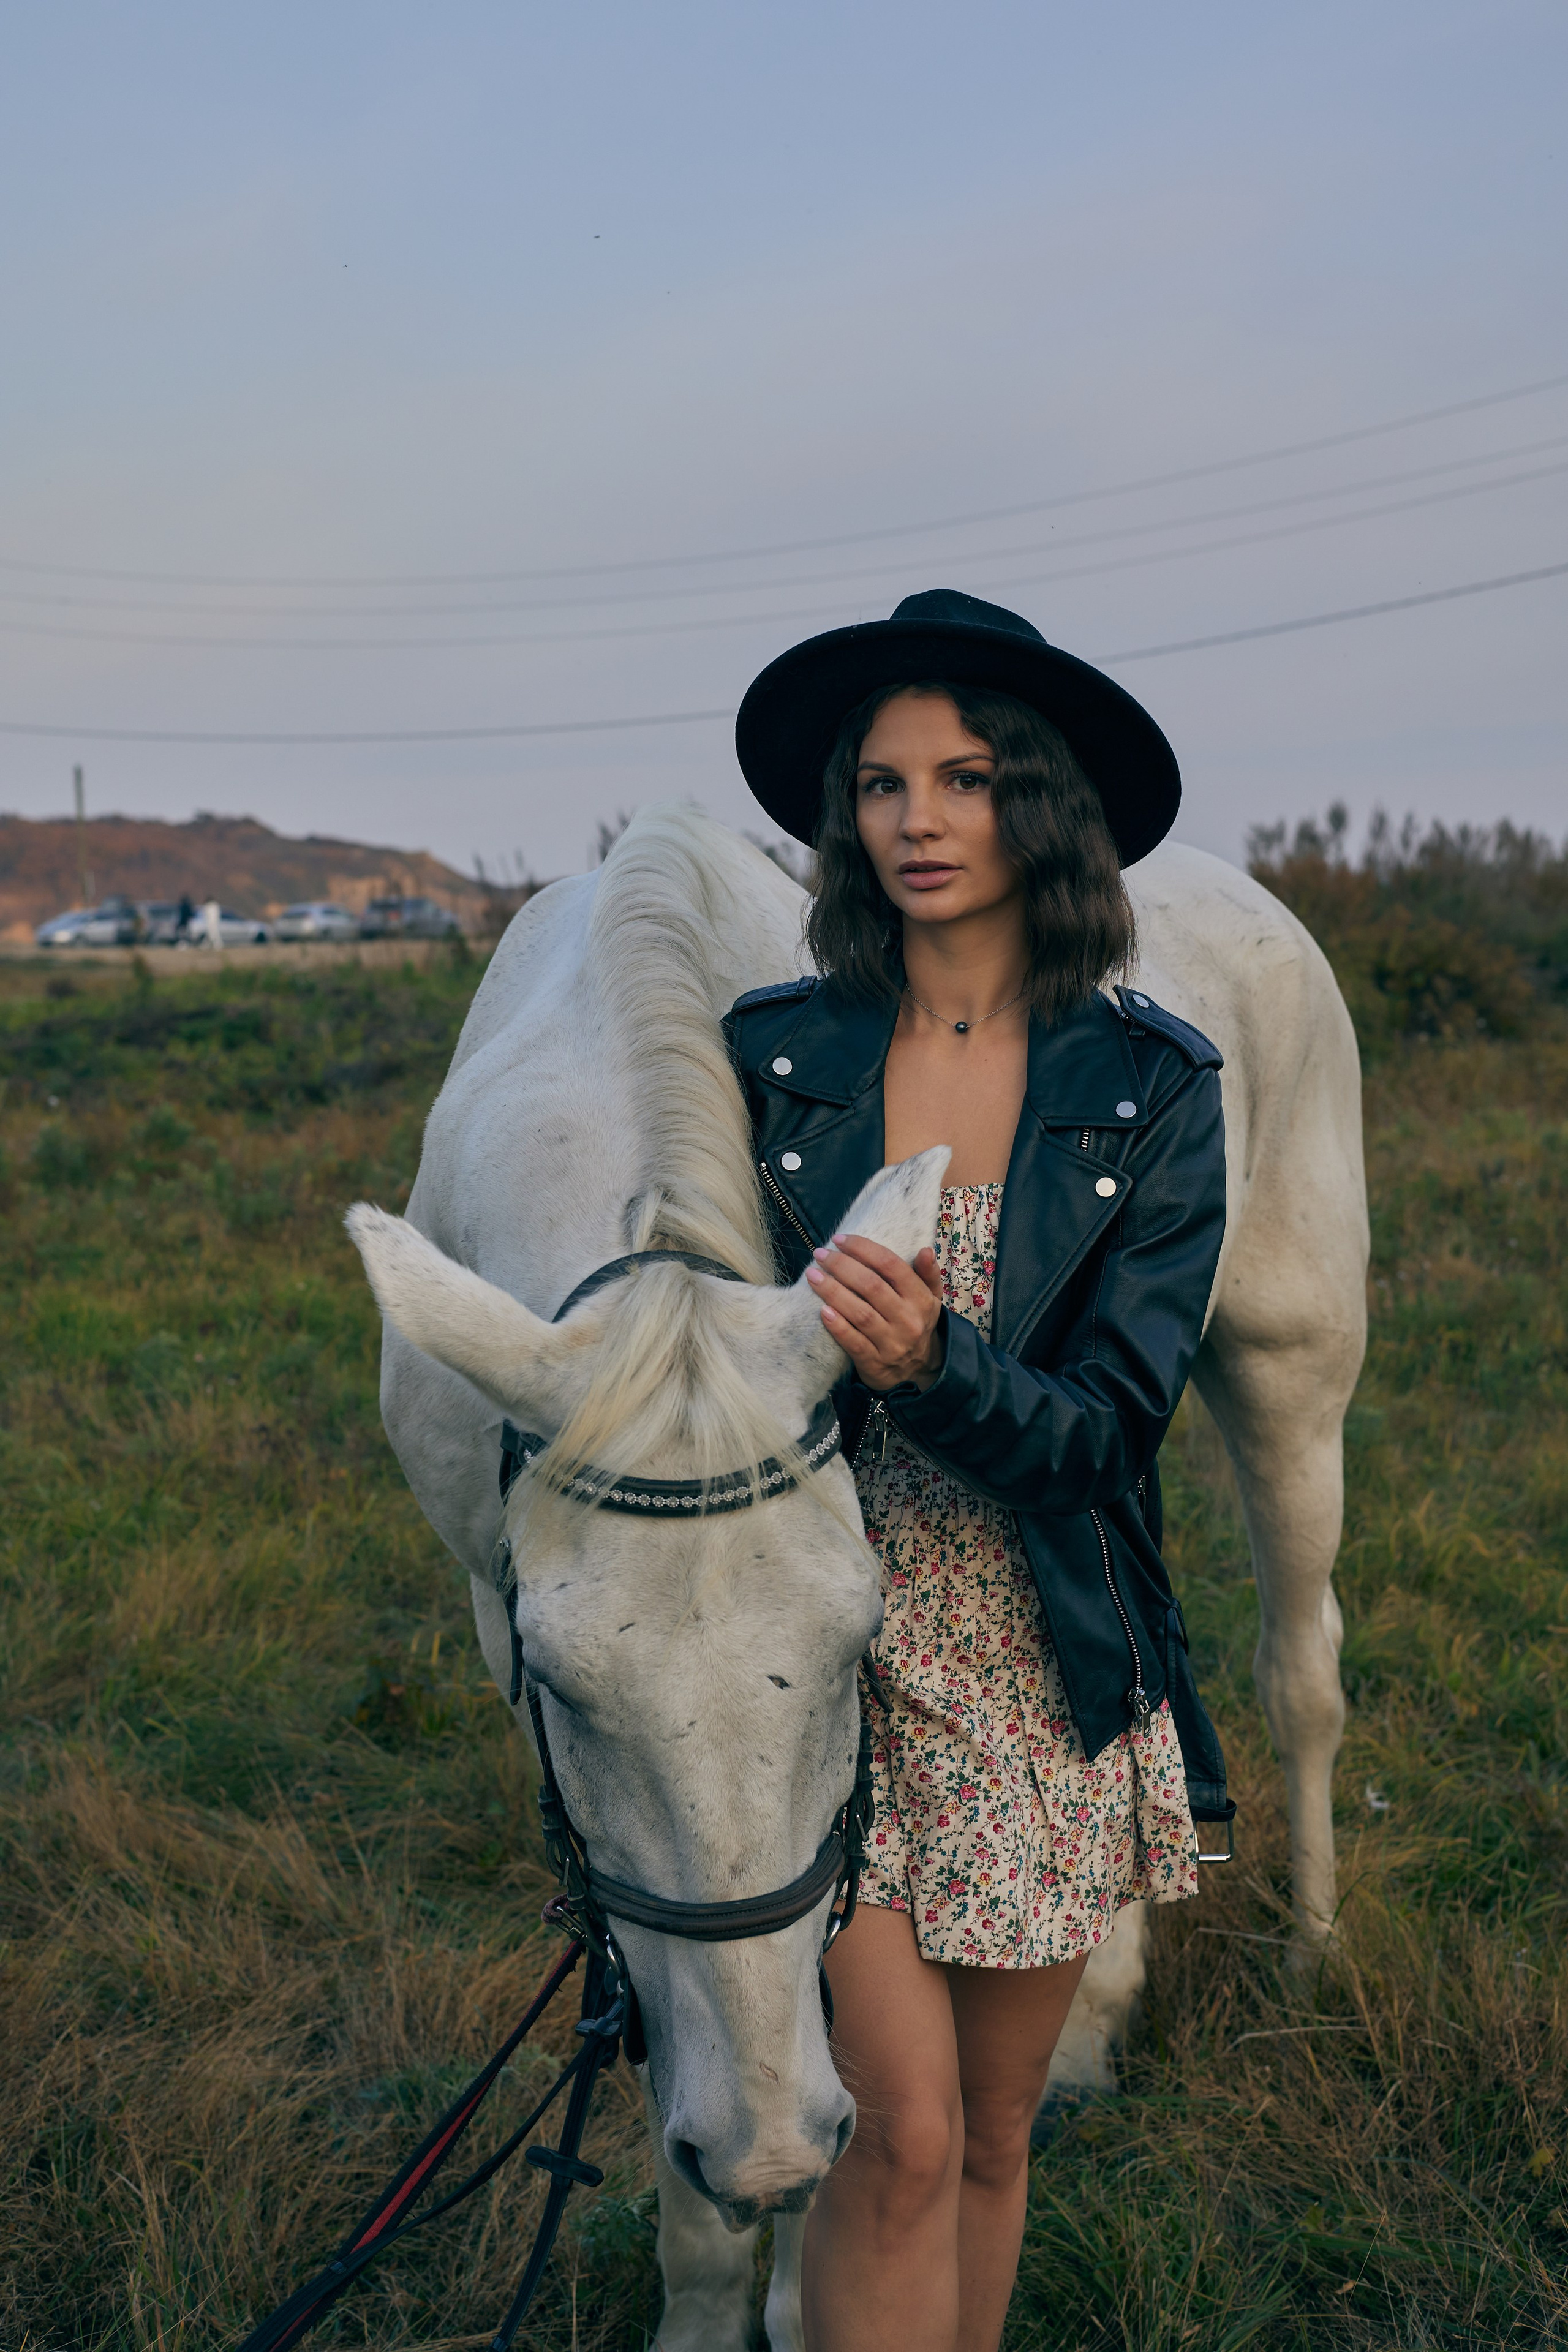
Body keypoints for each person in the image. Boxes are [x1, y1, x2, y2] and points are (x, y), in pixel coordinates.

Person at [726, 589, 1233, 2352]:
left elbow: (1108, 1436)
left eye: (964, 778)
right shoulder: (770, 1062)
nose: (918, 820)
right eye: (881, 785)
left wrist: (937, 1368)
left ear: (1044, 808)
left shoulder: (1152, 1090)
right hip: (821, 1655)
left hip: (1032, 1651)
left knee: (999, 2134)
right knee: (904, 2129)